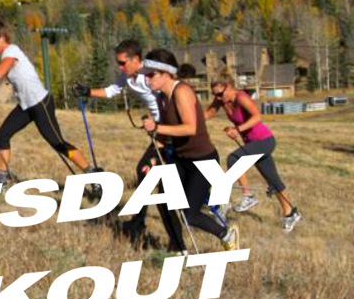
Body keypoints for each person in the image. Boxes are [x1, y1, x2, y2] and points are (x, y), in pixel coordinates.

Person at [72, 40, 185, 252]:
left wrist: (162, 131)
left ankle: (166, 230)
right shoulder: (128, 76)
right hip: (158, 131)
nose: (119, 67)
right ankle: (142, 221)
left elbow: (171, 99)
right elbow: (112, 91)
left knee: (158, 179)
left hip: (168, 132)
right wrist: (87, 92)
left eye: (123, 63)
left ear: (136, 60)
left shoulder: (149, 76)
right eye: (118, 63)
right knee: (150, 175)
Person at [0, 15, 94, 185]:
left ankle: (92, 174)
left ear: (0, 38)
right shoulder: (7, 54)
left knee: (58, 143)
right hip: (26, 106)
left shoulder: (11, 52)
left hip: (40, 104)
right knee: (2, 136)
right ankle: (1, 179)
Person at [140, 49, 240, 251]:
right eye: (146, 74)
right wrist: (153, 159)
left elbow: (190, 127)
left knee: (189, 213)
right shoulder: (162, 97)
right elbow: (163, 135)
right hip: (180, 158)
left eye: (151, 74)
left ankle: (226, 233)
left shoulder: (182, 91)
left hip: (202, 161)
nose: (146, 78)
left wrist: (157, 127)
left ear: (167, 73)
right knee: (164, 201)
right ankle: (177, 249)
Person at [205, 70, 301, 231]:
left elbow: (257, 116)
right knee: (273, 180)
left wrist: (238, 129)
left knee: (234, 158)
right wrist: (189, 120)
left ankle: (248, 195)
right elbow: (208, 113)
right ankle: (290, 213)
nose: (218, 98)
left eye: (220, 94)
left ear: (228, 87)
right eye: (215, 95)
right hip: (251, 144)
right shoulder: (222, 100)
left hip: (264, 141)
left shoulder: (241, 97)